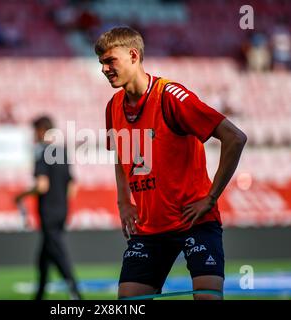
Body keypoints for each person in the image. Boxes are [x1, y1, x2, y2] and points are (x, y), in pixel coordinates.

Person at [95, 27, 247, 300]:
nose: (104, 69)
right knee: (128, 302)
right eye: (101, 63)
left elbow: (235, 138)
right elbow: (120, 153)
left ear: (133, 55)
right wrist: (123, 201)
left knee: (207, 297)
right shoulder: (113, 106)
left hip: (194, 221)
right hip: (149, 228)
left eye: (109, 61)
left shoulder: (170, 96)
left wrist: (210, 198)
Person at [14, 116, 82, 300]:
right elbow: (72, 187)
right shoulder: (62, 152)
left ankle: (76, 293)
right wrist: (61, 202)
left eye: (35, 131)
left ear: (42, 131)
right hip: (62, 211)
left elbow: (41, 185)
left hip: (49, 213)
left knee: (59, 255)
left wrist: (20, 197)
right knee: (44, 257)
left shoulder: (41, 153)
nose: (33, 136)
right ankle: (39, 295)